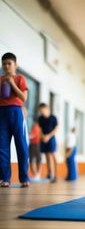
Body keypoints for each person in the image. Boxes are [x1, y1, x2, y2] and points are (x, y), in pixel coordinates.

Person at [0, 52, 30, 187]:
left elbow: (24, 98)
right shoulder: (0, 80)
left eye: (9, 63)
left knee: (22, 146)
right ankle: (5, 179)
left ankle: (24, 178)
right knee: (2, 147)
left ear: (15, 65)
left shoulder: (20, 78)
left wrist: (12, 83)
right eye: (4, 64)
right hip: (2, 113)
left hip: (16, 112)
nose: (6, 66)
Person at [38, 103, 58, 183]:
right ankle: (50, 173)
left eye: (42, 110)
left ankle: (55, 174)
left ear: (46, 108)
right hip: (43, 139)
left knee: (52, 155)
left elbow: (56, 129)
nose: (41, 112)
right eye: (40, 111)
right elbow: (40, 129)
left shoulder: (53, 118)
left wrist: (48, 136)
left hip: (51, 138)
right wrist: (43, 136)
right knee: (47, 156)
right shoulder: (40, 118)